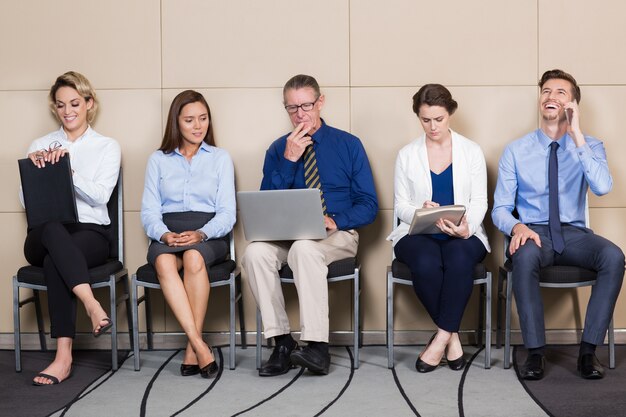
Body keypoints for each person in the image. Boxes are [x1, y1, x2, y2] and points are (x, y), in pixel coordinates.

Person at [492, 69, 625, 380]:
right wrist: (517, 228)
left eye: (560, 92)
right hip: (534, 233)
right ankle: (535, 353)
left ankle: (589, 351)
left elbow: (603, 186)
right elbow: (499, 209)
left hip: (575, 235)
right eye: (546, 91)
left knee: (614, 256)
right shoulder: (516, 150)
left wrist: (577, 134)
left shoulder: (590, 145)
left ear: (573, 104)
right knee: (522, 257)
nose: (551, 96)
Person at [242, 74, 378, 376]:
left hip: (337, 235)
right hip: (286, 236)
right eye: (292, 108)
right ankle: (281, 342)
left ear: (321, 102)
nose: (300, 114)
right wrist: (290, 160)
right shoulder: (279, 149)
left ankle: (317, 347)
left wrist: (336, 220)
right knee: (254, 254)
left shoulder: (348, 144)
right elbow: (267, 204)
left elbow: (369, 205)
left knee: (304, 249)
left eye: (306, 105)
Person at [22, 71, 121, 385]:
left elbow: (102, 196)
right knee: (52, 230)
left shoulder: (107, 146)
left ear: (89, 104)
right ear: (55, 107)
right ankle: (92, 305)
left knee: (57, 260)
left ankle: (62, 358)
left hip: (90, 234)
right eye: (61, 105)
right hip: (44, 233)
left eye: (75, 103)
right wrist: (41, 172)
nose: (68, 111)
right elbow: (29, 204)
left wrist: (67, 170)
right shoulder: (39, 145)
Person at [387, 84, 490, 373]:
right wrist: (421, 210)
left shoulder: (471, 151)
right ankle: (452, 338)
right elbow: (400, 206)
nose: (432, 127)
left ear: (450, 114)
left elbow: (480, 200)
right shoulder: (407, 154)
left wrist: (466, 227)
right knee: (425, 262)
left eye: (439, 119)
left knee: (459, 259)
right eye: (425, 120)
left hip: (463, 233)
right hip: (417, 233)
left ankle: (440, 340)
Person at [141, 90, 236, 379]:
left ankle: (191, 349)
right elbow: (148, 213)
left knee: (194, 258)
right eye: (190, 120)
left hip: (208, 234)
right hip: (168, 232)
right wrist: (164, 235)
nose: (198, 126)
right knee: (164, 262)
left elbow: (227, 214)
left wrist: (202, 233)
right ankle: (197, 344)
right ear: (176, 123)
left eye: (203, 118)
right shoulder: (158, 159)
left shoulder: (220, 158)